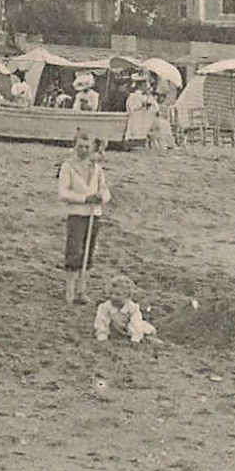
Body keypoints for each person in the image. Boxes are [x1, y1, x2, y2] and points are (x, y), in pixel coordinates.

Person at [58, 128, 111, 305]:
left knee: (88, 253)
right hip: (77, 214)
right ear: (74, 147)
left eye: (87, 147)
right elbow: (63, 192)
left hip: (93, 214)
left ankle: (82, 290)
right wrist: (84, 198)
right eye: (80, 146)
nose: (83, 150)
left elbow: (104, 189)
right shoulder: (68, 167)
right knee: (74, 252)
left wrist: (101, 198)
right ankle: (70, 291)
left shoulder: (96, 168)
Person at [93, 274, 158, 344]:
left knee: (143, 328)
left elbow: (136, 322)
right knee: (105, 328)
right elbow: (101, 321)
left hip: (130, 327)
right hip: (115, 329)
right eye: (111, 293)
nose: (113, 297)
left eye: (117, 294)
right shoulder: (105, 307)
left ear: (127, 296)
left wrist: (135, 338)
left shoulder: (133, 308)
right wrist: (102, 334)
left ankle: (147, 338)